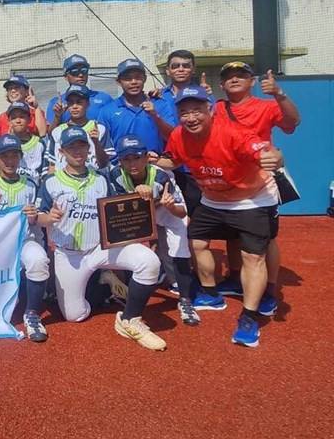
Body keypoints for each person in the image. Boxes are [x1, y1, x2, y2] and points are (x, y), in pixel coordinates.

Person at [158, 85, 284, 348]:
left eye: (196, 110)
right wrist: (148, 161)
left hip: (251, 200)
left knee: (253, 256)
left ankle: (249, 316)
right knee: (197, 241)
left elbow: (268, 152)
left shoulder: (234, 133)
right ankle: (212, 294)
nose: (190, 117)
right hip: (213, 200)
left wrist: (274, 158)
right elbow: (173, 159)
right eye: (184, 112)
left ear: (210, 110)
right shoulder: (179, 136)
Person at [37, 126, 166, 351]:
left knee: (149, 261)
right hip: (69, 255)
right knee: (75, 315)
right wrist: (47, 218)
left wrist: (143, 191)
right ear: (61, 151)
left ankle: (130, 319)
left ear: (89, 149)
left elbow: (124, 208)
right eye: (71, 147)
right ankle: (104, 284)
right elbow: (37, 217)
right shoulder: (50, 181)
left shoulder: (102, 178)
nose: (77, 151)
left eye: (81, 145)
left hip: (101, 248)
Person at [213, 62, 301, 316]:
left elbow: (293, 122)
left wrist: (278, 93)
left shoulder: (266, 106)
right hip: (229, 182)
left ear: (252, 81)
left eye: (241, 75)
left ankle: (269, 290)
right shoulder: (218, 108)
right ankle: (234, 277)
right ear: (222, 85)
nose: (235, 79)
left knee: (266, 238)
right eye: (229, 76)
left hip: (260, 181)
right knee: (232, 234)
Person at [107, 135, 200, 326]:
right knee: (126, 242)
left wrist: (169, 205)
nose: (133, 163)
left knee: (179, 250)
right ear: (120, 160)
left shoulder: (161, 176)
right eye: (127, 158)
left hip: (165, 210)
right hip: (139, 211)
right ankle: (127, 291)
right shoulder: (115, 174)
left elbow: (182, 213)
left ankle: (185, 300)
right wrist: (140, 198)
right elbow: (119, 209)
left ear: (146, 157)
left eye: (137, 157)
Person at [0, 135, 46, 343]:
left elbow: (37, 218)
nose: (10, 161)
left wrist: (33, 217)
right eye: (5, 156)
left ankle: (32, 315)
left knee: (38, 260)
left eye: (14, 156)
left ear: (21, 157)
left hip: (24, 241)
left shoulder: (31, 184)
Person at [149, 49, 212, 217]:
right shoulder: (156, 98)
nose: (181, 69)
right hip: (168, 167)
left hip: (196, 169)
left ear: (193, 69)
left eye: (186, 66)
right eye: (175, 66)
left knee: (198, 218)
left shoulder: (205, 98)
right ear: (168, 70)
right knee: (165, 218)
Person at [96, 58, 174, 159]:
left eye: (138, 77)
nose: (134, 82)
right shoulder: (107, 110)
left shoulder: (160, 104)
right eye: (128, 78)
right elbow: (104, 147)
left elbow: (172, 138)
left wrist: (155, 116)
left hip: (156, 165)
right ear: (118, 81)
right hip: (120, 168)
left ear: (144, 79)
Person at [47, 84, 111, 172]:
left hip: (92, 180)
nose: (74, 106)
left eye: (79, 102)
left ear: (88, 104)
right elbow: (52, 165)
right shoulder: (57, 131)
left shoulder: (99, 128)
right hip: (63, 182)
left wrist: (96, 143)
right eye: (71, 103)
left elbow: (105, 164)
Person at [46, 54, 113, 129]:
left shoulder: (104, 98)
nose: (81, 75)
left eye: (84, 70)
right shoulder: (56, 103)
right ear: (65, 77)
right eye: (75, 71)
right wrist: (57, 117)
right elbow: (51, 135)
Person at [4, 102, 48, 185]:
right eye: (14, 118)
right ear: (9, 121)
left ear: (29, 120)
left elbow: (45, 172)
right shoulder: (4, 144)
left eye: (22, 117)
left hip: (35, 189)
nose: (18, 121)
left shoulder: (39, 144)